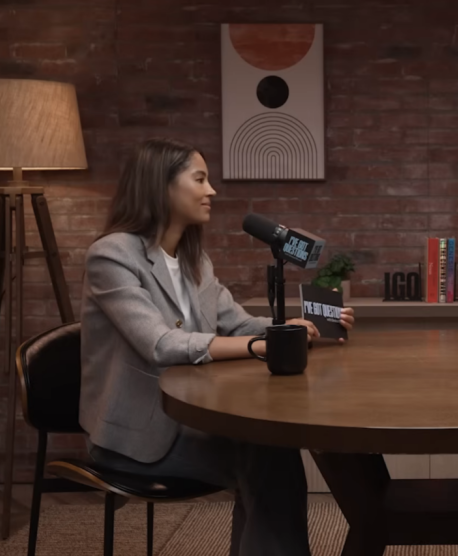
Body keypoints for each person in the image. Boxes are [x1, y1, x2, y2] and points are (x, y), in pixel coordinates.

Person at [79, 137, 355, 556]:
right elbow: (160, 344)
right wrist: (258, 347)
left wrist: (294, 328)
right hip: (136, 439)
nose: (211, 191)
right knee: (268, 462)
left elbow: (237, 323)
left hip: (190, 421)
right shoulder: (112, 256)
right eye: (200, 179)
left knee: (270, 454)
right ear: (162, 185)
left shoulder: (195, 260)